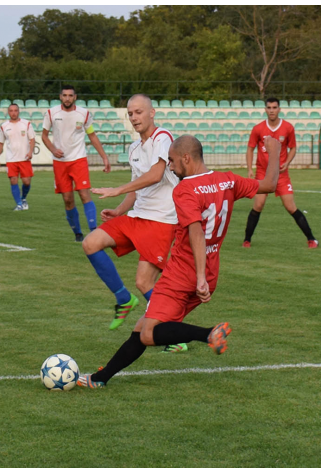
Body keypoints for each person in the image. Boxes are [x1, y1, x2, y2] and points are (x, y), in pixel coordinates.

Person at [78, 135, 281, 389]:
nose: (171, 168)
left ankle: (208, 333)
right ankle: (99, 379)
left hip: (182, 273)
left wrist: (197, 277)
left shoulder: (185, 190)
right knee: (144, 326)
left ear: (186, 158)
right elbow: (270, 184)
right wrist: (275, 151)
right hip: (210, 272)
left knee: (149, 333)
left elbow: (195, 231)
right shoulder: (227, 179)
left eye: (173, 161)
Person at [83, 95, 179, 332]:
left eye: (139, 112)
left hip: (161, 221)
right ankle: (123, 299)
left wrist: (116, 189)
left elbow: (156, 174)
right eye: (130, 114)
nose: (134, 118)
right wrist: (118, 210)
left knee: (144, 282)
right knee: (90, 243)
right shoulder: (134, 148)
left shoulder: (163, 138)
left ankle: (175, 335)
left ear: (152, 113)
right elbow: (137, 188)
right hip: (137, 216)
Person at [242, 98, 317, 248]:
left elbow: (293, 148)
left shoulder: (288, 128)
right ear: (265, 109)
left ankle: (311, 239)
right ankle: (247, 240)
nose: (271, 110)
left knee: (290, 207)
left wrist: (287, 162)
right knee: (258, 205)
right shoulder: (258, 129)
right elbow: (250, 148)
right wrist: (250, 168)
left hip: (281, 175)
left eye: (274, 107)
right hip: (263, 173)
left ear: (279, 109)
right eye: (269, 107)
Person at [42, 85, 111, 242]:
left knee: (84, 193)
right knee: (67, 199)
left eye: (70, 95)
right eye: (64, 95)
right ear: (60, 96)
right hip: (60, 162)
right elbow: (44, 136)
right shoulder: (51, 113)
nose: (67, 98)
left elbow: (92, 135)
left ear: (75, 97)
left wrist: (104, 157)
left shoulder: (84, 114)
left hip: (78, 159)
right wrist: (53, 149)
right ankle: (78, 233)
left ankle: (94, 231)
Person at [0, 103, 36, 211]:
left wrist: (30, 152)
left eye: (15, 110)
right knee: (13, 180)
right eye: (11, 111)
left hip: (25, 158)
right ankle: (19, 204)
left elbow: (32, 139)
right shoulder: (4, 126)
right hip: (11, 159)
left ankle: (23, 198)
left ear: (18, 111)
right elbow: (0, 143)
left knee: (26, 182)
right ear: (8, 112)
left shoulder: (26, 124)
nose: (13, 113)